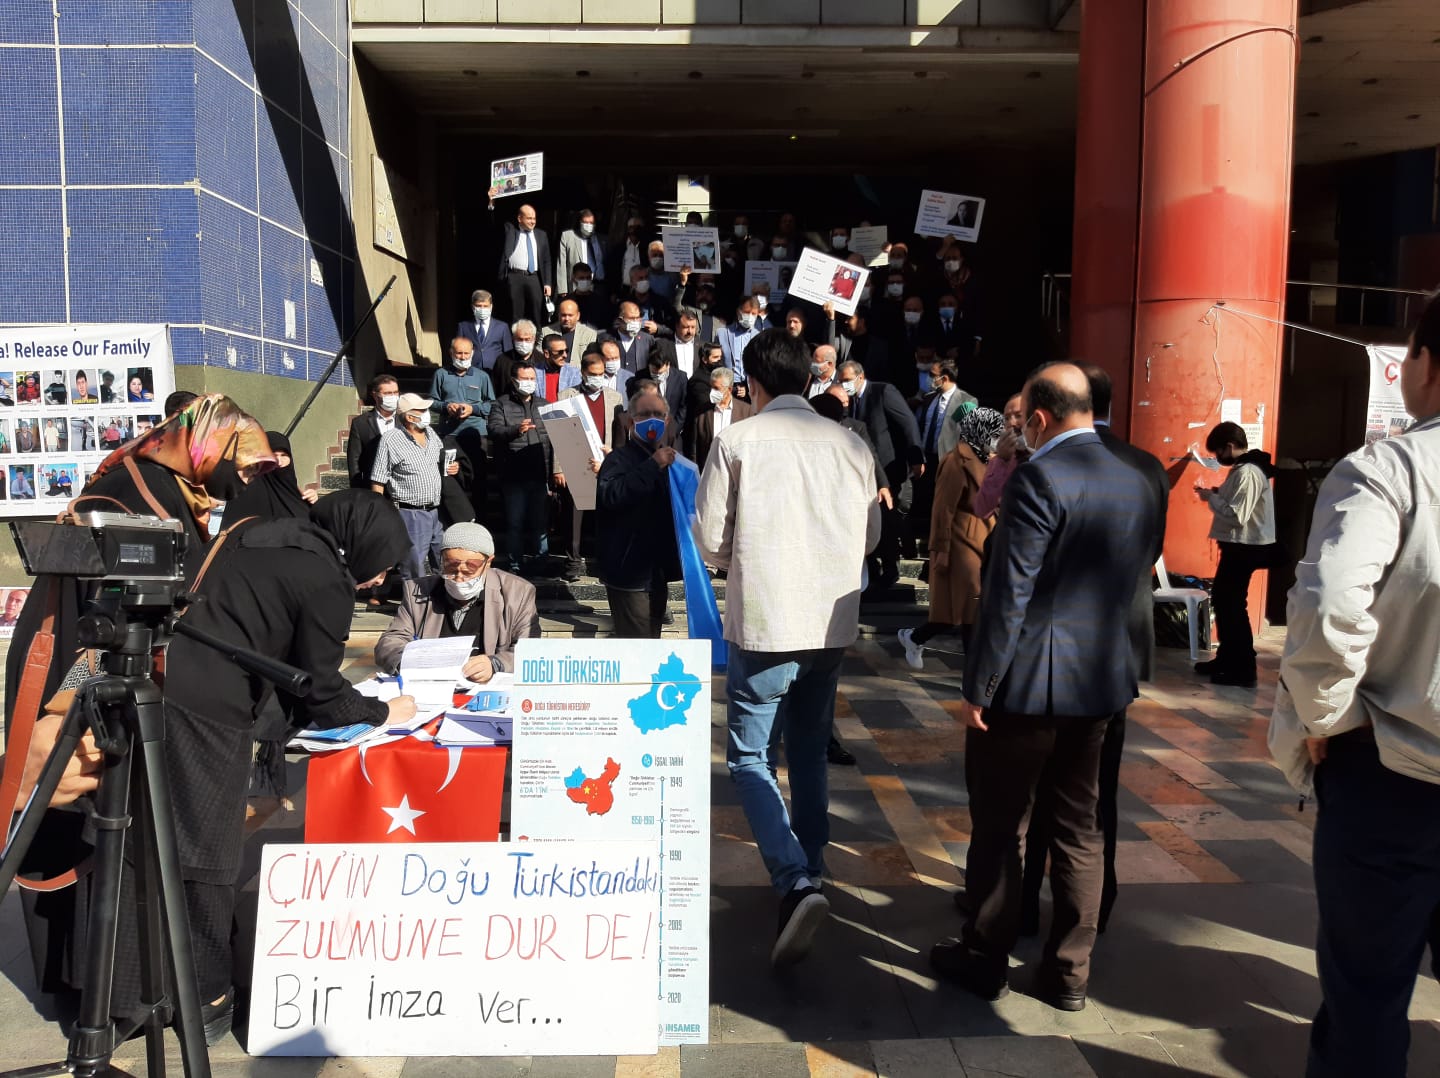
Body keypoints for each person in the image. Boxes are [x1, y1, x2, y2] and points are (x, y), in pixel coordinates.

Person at [2, 396, 283, 1037]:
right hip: (95, 689)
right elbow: (103, 620)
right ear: (205, 443)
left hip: (125, 684)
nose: (242, 479)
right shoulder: (132, 499)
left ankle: (126, 992)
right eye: (241, 463)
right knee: (118, 835)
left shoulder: (162, 486)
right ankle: (120, 997)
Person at [930, 363, 1161, 1013]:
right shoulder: (1139, 472)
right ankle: (1068, 972)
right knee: (1079, 828)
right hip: (1102, 680)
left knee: (1001, 824)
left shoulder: (1039, 476)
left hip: (1027, 686)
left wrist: (980, 686)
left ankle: (985, 955)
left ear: (1037, 418)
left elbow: (1010, 594)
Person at [1268, 293, 1440, 1078]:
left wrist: (1327, 716)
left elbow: (1332, 602)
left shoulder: (1390, 469)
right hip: (1393, 769)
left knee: (1368, 995)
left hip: (1392, 770)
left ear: (1423, 364)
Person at [693, 329, 881, 968]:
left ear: (752, 382)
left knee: (750, 758)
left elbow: (711, 539)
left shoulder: (737, 440)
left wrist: (744, 558)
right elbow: (870, 536)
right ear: (808, 378)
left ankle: (794, 878)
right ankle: (813, 865)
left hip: (766, 620)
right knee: (808, 748)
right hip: (829, 622)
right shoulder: (850, 443)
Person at [1018, 365, 1170, 937]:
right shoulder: (1146, 466)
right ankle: (1094, 906)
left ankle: (1024, 901)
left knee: (1037, 789)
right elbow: (1151, 551)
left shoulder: (1048, 465)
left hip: (1052, 653)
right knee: (1095, 789)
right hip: (1119, 645)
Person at [898, 407, 1003, 669]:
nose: (996, 439)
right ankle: (972, 674)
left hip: (986, 540)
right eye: (993, 434)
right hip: (962, 544)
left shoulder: (989, 460)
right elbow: (943, 509)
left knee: (964, 611)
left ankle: (915, 637)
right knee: (970, 611)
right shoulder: (956, 461)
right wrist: (940, 549)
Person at [376, 521, 541, 679]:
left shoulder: (517, 593)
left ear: (488, 562)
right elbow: (390, 642)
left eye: (470, 570)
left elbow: (530, 648)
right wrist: (412, 664)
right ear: (442, 560)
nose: (459, 578)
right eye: (451, 568)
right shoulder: (418, 591)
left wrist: (495, 664)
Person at [1194, 421, 1279, 687]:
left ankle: (1242, 669)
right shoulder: (1244, 470)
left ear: (1229, 446)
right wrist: (1216, 495)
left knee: (1232, 606)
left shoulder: (1248, 472)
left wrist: (1211, 498)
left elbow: (1236, 514)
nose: (1218, 457)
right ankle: (1227, 659)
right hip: (1236, 546)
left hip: (1244, 547)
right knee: (1225, 602)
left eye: (1219, 451)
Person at [593, 386, 682, 637]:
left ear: (667, 421)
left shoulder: (669, 461)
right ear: (631, 422)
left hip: (656, 572)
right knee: (636, 644)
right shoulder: (618, 459)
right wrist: (652, 466)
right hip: (628, 573)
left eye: (658, 414)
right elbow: (612, 496)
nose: (652, 420)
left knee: (652, 641)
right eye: (644, 415)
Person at [840, 359, 923, 591]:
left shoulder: (883, 392)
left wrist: (916, 456)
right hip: (863, 469)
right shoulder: (850, 401)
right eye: (841, 381)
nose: (844, 385)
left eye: (847, 380)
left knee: (888, 518)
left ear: (860, 377)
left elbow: (907, 422)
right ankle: (875, 567)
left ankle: (891, 567)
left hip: (887, 466)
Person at [370, 393, 456, 582]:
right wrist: (381, 515)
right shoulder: (391, 439)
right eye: (422, 410)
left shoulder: (431, 433)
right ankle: (414, 598)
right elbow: (378, 480)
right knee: (413, 565)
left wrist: (452, 467)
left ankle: (442, 595)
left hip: (436, 511)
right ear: (409, 416)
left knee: (444, 559)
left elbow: (440, 462)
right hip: (410, 514)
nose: (427, 413)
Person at [554, 350, 624, 581]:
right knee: (573, 518)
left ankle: (604, 562)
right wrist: (558, 468)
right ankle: (573, 563)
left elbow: (618, 432)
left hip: (605, 463)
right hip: (575, 462)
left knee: (605, 517)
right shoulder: (567, 395)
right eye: (593, 374)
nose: (597, 378)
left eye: (601, 374)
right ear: (583, 373)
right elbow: (559, 433)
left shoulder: (615, 398)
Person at [489, 362, 557, 573]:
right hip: (514, 475)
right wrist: (516, 430)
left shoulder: (544, 405)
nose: (529, 383)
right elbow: (494, 430)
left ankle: (541, 562)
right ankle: (515, 564)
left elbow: (554, 439)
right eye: (524, 379)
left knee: (540, 523)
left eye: (532, 379)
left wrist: (554, 472)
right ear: (513, 380)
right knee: (515, 523)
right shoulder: (501, 404)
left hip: (540, 473)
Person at [490, 199, 553, 324]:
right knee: (515, 314)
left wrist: (547, 283)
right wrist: (491, 203)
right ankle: (515, 337)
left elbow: (546, 261)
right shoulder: (510, 230)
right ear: (520, 218)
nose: (532, 221)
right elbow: (494, 222)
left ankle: (537, 336)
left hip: (534, 277)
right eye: (529, 218)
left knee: (536, 313)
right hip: (515, 277)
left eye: (534, 218)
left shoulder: (541, 235)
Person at [685, 365, 752, 471]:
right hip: (709, 472)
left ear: (729, 389)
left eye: (716, 388)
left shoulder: (746, 412)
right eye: (711, 387)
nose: (712, 392)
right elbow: (694, 449)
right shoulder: (702, 412)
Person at [347, 374, 400, 488]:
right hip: (372, 486)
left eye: (395, 392)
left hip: (402, 487)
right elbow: (354, 459)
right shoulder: (360, 423)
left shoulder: (406, 420)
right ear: (375, 395)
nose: (393, 397)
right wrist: (357, 489)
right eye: (387, 393)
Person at [456, 289, 514, 372]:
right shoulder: (463, 326)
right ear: (472, 306)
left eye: (485, 306)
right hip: (471, 370)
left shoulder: (502, 327)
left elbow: (508, 351)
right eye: (479, 306)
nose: (482, 309)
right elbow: (458, 348)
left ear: (491, 306)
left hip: (495, 370)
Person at [557, 209, 607, 297]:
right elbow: (562, 263)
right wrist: (563, 289)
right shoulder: (568, 236)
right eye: (585, 222)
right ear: (580, 222)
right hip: (578, 284)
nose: (588, 225)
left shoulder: (603, 240)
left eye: (591, 223)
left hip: (598, 285)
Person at [603, 301, 657, 374]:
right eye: (631, 318)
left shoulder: (647, 340)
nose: (635, 322)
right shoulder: (605, 339)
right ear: (620, 320)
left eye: (637, 318)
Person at [491, 318, 538, 396]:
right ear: (513, 338)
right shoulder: (502, 360)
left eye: (527, 339)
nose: (524, 343)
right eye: (520, 339)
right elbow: (495, 387)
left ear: (534, 338)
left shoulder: (541, 360)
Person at [542, 298, 598, 363]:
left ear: (578, 316)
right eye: (563, 315)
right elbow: (540, 357)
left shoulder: (589, 334)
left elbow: (592, 360)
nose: (566, 318)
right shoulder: (546, 332)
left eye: (570, 315)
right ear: (558, 315)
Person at [538, 333, 582, 402]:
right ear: (547, 354)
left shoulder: (574, 373)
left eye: (566, 351)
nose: (565, 355)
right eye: (560, 352)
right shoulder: (534, 372)